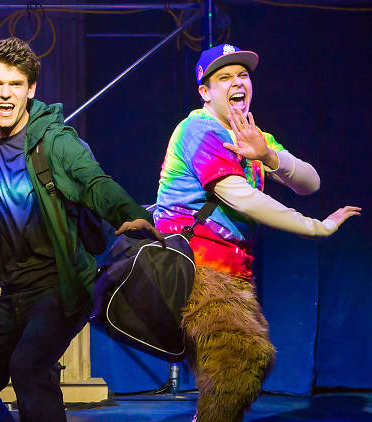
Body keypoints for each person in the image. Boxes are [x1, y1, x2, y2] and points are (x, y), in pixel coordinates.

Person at [0, 37, 164, 422]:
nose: (5, 95)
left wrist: (126, 213)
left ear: (31, 90)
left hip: (63, 285)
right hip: (15, 293)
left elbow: (94, 182)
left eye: (15, 85)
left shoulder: (55, 141)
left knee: (29, 368)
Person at [154, 44, 360, 422]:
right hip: (196, 268)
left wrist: (268, 156)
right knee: (242, 360)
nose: (237, 82)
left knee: (234, 367)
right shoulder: (200, 128)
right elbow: (242, 198)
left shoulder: (251, 134)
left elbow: (310, 182)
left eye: (243, 75)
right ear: (205, 91)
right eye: (224, 77)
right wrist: (315, 227)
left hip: (231, 272)